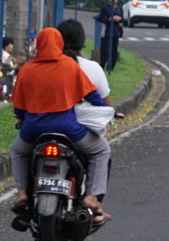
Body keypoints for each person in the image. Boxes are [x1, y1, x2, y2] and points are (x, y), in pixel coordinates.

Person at [9, 26, 111, 225]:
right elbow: (92, 94)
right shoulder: (70, 66)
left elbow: (19, 109)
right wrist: (106, 110)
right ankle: (91, 197)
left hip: (33, 130)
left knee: (18, 151)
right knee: (101, 150)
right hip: (68, 129)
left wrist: (26, 118)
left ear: (38, 44)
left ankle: (22, 193)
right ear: (60, 44)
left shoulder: (27, 69)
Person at [56, 19, 114, 138]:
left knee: (17, 152)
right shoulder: (92, 67)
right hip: (83, 126)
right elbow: (103, 100)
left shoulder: (42, 67)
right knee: (102, 151)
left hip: (45, 124)